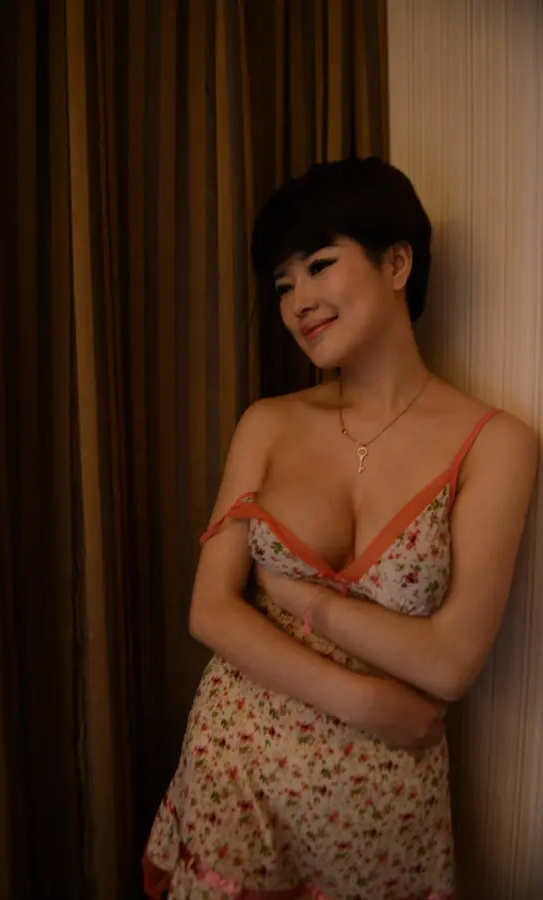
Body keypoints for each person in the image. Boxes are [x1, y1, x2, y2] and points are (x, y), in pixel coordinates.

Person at [142, 157, 537, 900]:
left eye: (319, 264)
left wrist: (300, 598)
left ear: (397, 264)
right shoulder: (267, 423)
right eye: (282, 284)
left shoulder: (496, 443)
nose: (298, 302)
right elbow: (210, 610)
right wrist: (364, 701)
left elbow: (451, 663)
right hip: (239, 771)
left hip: (381, 806)